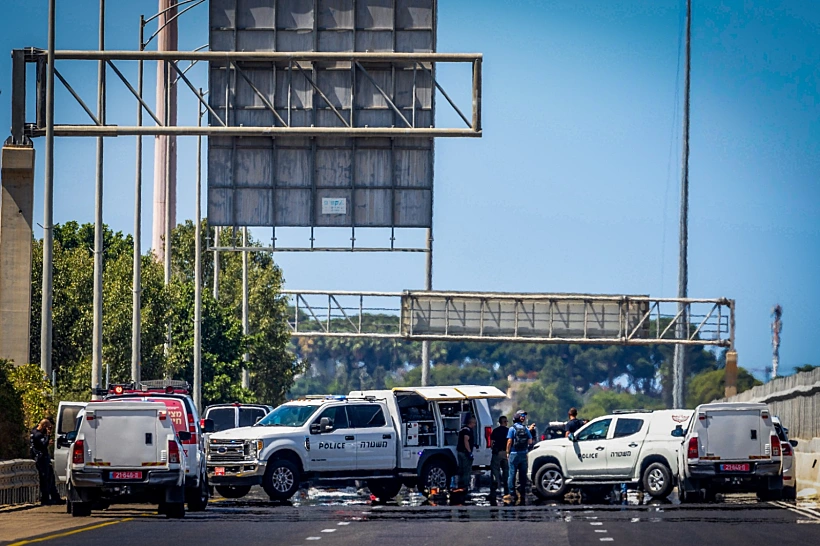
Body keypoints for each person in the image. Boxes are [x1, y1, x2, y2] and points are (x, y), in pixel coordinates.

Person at [30, 418, 63, 506]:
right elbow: (43, 445)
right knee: (45, 479)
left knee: (50, 478)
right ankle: (45, 499)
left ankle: (55, 497)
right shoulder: (38, 435)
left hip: (43, 458)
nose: (49, 429)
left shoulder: (34, 431)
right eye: (48, 427)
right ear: (44, 426)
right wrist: (48, 435)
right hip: (41, 459)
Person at [504, 410, 532, 505]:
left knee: (512, 473)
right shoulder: (526, 429)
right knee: (522, 474)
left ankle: (512, 493)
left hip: (514, 453)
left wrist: (507, 452)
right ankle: (522, 492)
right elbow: (530, 441)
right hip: (523, 454)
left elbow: (509, 441)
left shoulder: (512, 429)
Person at [489, 416, 509, 502]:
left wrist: (493, 448)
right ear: (505, 422)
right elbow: (510, 441)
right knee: (506, 471)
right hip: (505, 453)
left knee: (495, 470)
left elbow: (491, 442)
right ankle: (507, 490)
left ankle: (495, 488)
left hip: (497, 453)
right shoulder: (508, 431)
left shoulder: (495, 431)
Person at [456, 415, 476, 490]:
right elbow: (466, 440)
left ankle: (460, 485)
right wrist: (469, 452)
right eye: (474, 423)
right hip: (465, 453)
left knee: (461, 469)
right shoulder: (468, 430)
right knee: (466, 470)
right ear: (471, 423)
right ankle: (464, 486)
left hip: (460, 452)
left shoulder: (462, 429)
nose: (475, 425)